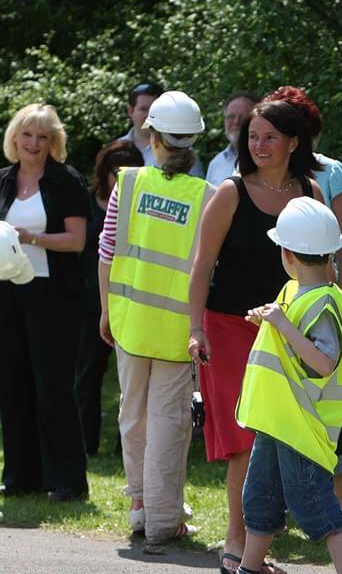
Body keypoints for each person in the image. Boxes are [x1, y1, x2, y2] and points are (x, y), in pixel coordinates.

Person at [188, 100, 322, 573]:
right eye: (252, 137)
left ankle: (255, 547)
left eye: (269, 137)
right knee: (244, 440)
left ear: (293, 142)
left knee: (276, 436)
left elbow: (323, 267)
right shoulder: (229, 192)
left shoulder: (310, 193)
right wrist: (195, 330)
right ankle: (235, 546)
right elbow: (201, 266)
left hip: (286, 332)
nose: (259, 145)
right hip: (228, 331)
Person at [98, 91, 213, 547]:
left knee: (133, 416)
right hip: (179, 331)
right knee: (169, 421)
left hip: (130, 323)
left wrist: (106, 311)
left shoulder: (126, 185)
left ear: (152, 136)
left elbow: (107, 252)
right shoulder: (207, 195)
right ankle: (165, 520)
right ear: (194, 142)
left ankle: (140, 507)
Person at [264, 85, 342, 535]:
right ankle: (283, 513)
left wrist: (341, 311)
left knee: (333, 410)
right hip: (282, 307)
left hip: (326, 306)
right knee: (287, 411)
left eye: (293, 127)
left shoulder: (331, 172)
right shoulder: (258, 172)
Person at [235, 196, 342, 574]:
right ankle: (248, 569)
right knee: (260, 500)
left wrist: (283, 326)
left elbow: (324, 362)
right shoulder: (292, 292)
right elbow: (289, 345)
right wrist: (270, 322)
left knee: (319, 509)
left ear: (287, 253)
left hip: (302, 427)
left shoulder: (324, 303)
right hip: (280, 422)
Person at [0, 103, 91, 502]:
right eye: (26, 135)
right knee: (13, 385)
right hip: (8, 295)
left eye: (42, 137)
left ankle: (68, 480)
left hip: (54, 298)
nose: (33, 144)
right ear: (14, 138)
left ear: (53, 142)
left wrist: (30, 237)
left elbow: (76, 241)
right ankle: (21, 477)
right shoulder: (2, 181)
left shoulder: (66, 181)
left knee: (53, 388)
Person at [75, 140, 143, 455]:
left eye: (130, 169)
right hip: (90, 301)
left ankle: (123, 446)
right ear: (104, 171)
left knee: (129, 383)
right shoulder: (86, 201)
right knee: (87, 376)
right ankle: (85, 443)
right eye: (116, 170)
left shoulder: (144, 205)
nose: (122, 176)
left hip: (132, 302)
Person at [118, 82, 204, 178]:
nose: (149, 115)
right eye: (143, 109)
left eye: (153, 110)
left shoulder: (184, 154)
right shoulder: (115, 150)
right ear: (131, 111)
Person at [207, 92, 258, 187]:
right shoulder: (216, 163)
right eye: (231, 117)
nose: (236, 122)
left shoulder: (264, 159)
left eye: (243, 117)